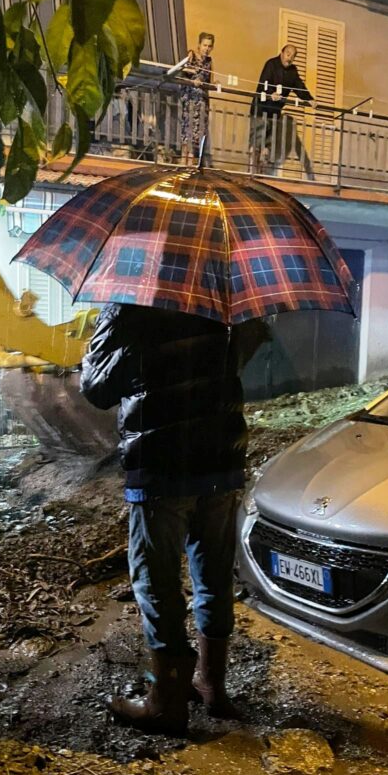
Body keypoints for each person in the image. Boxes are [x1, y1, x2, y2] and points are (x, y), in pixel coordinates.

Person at [81, 304, 261, 735]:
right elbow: (241, 355)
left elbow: (97, 388)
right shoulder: (225, 303)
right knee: (214, 577)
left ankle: (165, 701)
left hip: (162, 469)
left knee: (156, 582)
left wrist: (102, 329)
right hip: (220, 464)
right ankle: (212, 686)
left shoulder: (132, 309)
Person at [250, 44, 315, 180]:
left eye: (293, 56)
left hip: (275, 112)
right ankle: (252, 175)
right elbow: (263, 84)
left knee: (268, 147)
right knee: (257, 143)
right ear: (282, 53)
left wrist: (309, 99)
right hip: (261, 109)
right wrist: (270, 93)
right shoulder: (271, 64)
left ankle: (262, 177)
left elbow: (299, 86)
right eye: (288, 54)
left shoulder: (292, 71)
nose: (289, 58)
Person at [167, 32, 215, 166]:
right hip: (190, 100)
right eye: (204, 45)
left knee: (198, 133)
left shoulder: (209, 62)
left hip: (202, 102)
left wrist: (214, 84)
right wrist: (193, 80)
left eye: (209, 46)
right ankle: (184, 161)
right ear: (199, 45)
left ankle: (192, 163)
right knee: (187, 132)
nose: (207, 48)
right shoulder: (191, 56)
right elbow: (182, 74)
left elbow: (209, 81)